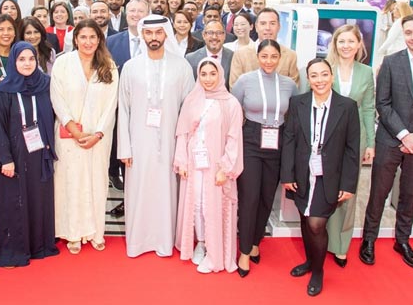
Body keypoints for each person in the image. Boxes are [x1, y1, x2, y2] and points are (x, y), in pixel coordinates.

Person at [360, 14, 413, 269]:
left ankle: (402, 240)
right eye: (408, 32)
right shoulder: (390, 62)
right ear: (403, 34)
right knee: (379, 192)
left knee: (410, 193)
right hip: (391, 138)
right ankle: (369, 239)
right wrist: (404, 134)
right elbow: (382, 104)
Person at [281, 58, 360, 296]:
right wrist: (287, 174)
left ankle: (318, 271)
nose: (320, 80)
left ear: (332, 76)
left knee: (316, 224)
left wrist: (348, 184)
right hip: (302, 174)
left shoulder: (347, 106)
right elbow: (289, 139)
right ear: (308, 79)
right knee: (305, 219)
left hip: (329, 176)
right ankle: (309, 261)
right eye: (314, 75)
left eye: (324, 74)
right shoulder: (298, 103)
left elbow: (352, 149)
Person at [118, 15, 195, 257]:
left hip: (171, 143)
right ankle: (138, 242)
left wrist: (185, 149)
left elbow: (189, 110)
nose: (154, 37)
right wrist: (124, 148)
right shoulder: (131, 67)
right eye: (149, 33)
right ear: (142, 35)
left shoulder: (181, 66)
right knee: (139, 191)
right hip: (138, 143)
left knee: (166, 191)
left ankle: (164, 241)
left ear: (166, 34)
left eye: (158, 32)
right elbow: (123, 109)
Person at [0, 42, 59, 267]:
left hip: (39, 155)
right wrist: (5, 159)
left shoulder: (45, 85)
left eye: (31, 59)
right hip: (14, 158)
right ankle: (13, 252)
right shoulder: (2, 91)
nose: (27, 64)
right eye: (21, 59)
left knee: (38, 200)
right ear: (13, 61)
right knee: (13, 203)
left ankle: (39, 246)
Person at [231, 39, 298, 276]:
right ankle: (244, 250)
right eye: (264, 56)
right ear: (257, 57)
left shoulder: (289, 84)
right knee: (249, 197)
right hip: (250, 139)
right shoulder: (245, 81)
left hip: (277, 141)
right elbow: (232, 110)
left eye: (273, 56)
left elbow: (294, 116)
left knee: (267, 197)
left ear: (280, 58)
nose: (269, 61)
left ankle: (256, 240)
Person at [51, 20, 118, 253]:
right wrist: (75, 131)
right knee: (71, 183)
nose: (88, 42)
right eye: (83, 37)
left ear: (99, 40)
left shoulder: (109, 66)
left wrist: (98, 134)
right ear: (75, 39)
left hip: (99, 138)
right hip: (68, 136)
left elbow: (111, 105)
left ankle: (96, 232)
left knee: (96, 182)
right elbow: (57, 98)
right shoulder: (62, 63)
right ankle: (73, 233)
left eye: (92, 37)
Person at [174, 60, 244, 273]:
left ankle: (215, 252)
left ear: (220, 75)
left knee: (212, 206)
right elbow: (183, 133)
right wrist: (182, 161)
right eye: (203, 74)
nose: (208, 78)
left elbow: (234, 138)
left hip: (216, 165)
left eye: (212, 73)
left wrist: (226, 168)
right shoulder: (192, 100)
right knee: (196, 204)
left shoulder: (230, 103)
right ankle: (201, 243)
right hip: (194, 163)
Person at [324, 25, 375, 267]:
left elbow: (368, 108)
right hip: (327, 138)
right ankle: (322, 238)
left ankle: (341, 245)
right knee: (325, 189)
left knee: (348, 192)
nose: (346, 46)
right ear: (335, 44)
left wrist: (371, 143)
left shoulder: (366, 72)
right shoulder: (326, 68)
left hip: (356, 139)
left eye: (350, 41)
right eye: (341, 41)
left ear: (359, 44)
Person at [106, 0, 150, 194]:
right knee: (121, 145)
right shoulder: (111, 41)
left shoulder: (156, 40)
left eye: (140, 11)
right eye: (132, 11)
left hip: (147, 109)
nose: (135, 15)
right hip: (119, 106)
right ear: (126, 13)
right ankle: (119, 179)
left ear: (147, 15)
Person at [230, 8, 300, 86]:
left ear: (279, 27)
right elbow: (234, 86)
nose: (268, 28)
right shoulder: (240, 55)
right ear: (256, 27)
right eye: (263, 23)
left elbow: (294, 87)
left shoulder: (290, 56)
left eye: (272, 23)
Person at [185, 20, 234, 89]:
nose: (214, 37)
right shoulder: (191, 59)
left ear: (224, 35)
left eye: (219, 33)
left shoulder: (233, 57)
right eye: (210, 33)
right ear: (204, 35)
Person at [374, 1, 413, 69]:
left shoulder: (399, 23)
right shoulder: (409, 22)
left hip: (395, 52)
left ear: (400, 11)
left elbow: (390, 39)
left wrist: (379, 51)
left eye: (395, 9)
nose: (393, 11)